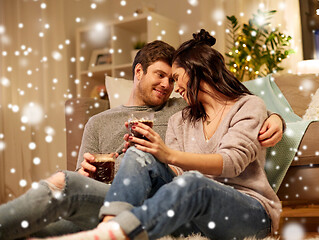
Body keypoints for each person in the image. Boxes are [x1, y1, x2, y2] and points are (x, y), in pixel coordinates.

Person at [0, 39, 283, 240]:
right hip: (150, 205)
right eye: (163, 76)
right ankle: (111, 226)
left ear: (195, 68)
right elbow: (175, 174)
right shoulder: (179, 118)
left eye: (174, 78)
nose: (171, 86)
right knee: (65, 182)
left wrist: (276, 118)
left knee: (192, 182)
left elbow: (232, 148)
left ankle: (115, 229)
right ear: (139, 73)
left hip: (236, 207)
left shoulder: (217, 106)